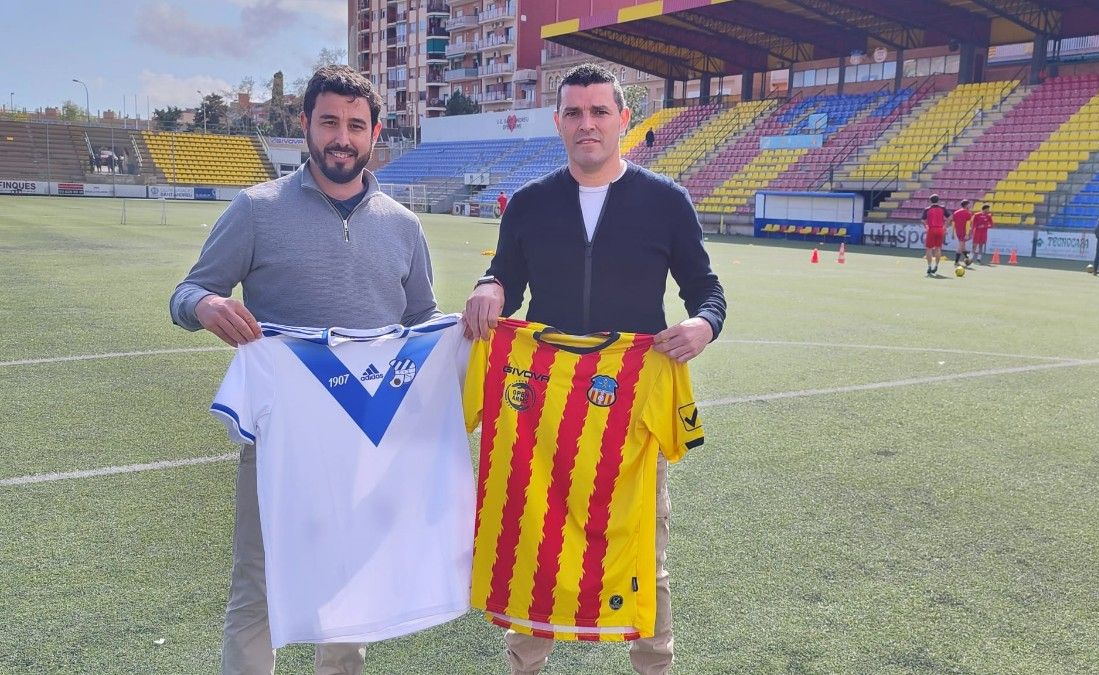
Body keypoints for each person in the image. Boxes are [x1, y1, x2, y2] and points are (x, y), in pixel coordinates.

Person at [169, 64, 441, 675]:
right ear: (305, 127)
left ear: (374, 134)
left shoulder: (404, 225)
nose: (340, 137)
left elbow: (421, 322)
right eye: (328, 123)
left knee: (349, 592)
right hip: (279, 441)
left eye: (354, 125)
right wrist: (207, 304)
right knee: (259, 591)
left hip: (365, 439)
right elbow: (186, 292)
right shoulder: (256, 210)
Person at [462, 62, 726, 675]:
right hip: (542, 415)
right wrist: (490, 286)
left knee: (643, 551)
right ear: (559, 122)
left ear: (623, 120)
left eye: (600, 112)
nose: (588, 124)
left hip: (628, 407)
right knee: (534, 544)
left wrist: (701, 327)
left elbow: (707, 292)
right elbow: (505, 275)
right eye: (575, 113)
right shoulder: (528, 205)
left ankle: (652, 665)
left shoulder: (666, 203)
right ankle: (524, 665)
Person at [921, 194, 950, 276]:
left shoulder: (927, 209)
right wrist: (945, 226)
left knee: (929, 249)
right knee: (938, 248)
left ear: (930, 201)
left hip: (931, 229)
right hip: (940, 229)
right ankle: (936, 265)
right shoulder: (942, 208)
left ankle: (929, 266)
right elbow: (949, 217)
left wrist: (926, 226)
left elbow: (923, 220)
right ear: (938, 200)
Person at [951, 199, 973, 267]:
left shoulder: (955, 212)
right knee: (961, 247)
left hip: (958, 231)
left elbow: (953, 223)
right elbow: (968, 224)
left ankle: (968, 259)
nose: (970, 205)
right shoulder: (968, 213)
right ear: (966, 205)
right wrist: (967, 234)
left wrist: (952, 232)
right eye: (969, 204)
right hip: (963, 232)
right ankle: (956, 262)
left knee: (963, 247)